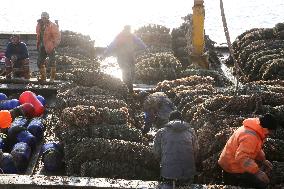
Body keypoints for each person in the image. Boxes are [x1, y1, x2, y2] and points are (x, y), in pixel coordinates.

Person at [218, 113, 278, 189]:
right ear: (267, 129)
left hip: (229, 160)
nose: (272, 134)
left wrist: (263, 160)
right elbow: (242, 158)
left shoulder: (254, 128)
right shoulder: (251, 137)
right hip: (232, 167)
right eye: (272, 131)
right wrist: (257, 172)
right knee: (262, 184)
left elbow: (255, 148)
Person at [153, 110, 199, 188]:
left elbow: (156, 153)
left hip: (167, 174)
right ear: (182, 120)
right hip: (188, 173)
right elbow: (196, 151)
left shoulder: (161, 132)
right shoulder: (191, 131)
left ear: (169, 120)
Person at [103, 25, 147, 93]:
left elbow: (140, 43)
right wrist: (106, 53)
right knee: (126, 72)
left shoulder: (132, 36)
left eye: (129, 30)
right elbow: (112, 45)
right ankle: (129, 89)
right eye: (127, 30)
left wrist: (144, 48)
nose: (128, 32)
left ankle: (128, 86)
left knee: (132, 73)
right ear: (124, 30)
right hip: (122, 58)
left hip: (129, 57)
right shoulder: (120, 37)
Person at [36, 11, 61, 82]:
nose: (43, 18)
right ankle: (43, 77)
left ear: (48, 18)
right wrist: (38, 44)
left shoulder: (52, 25)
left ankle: (52, 78)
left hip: (50, 46)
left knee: (52, 62)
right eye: (42, 17)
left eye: (45, 17)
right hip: (41, 46)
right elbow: (38, 35)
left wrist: (54, 44)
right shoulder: (38, 24)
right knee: (39, 62)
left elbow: (57, 36)